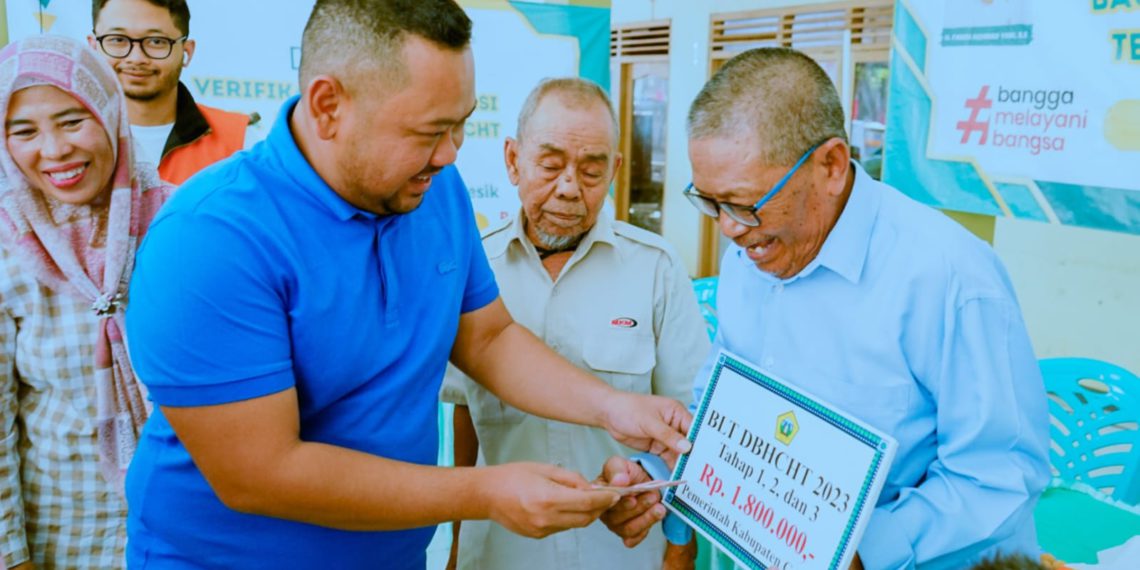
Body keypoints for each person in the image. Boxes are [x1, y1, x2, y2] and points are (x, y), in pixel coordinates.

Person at [122, 1, 691, 569]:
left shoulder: (434, 190)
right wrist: (486, 492)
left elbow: (489, 338)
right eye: (429, 131)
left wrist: (611, 407)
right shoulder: (211, 238)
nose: (450, 153)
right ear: (328, 107)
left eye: (462, 123)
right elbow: (261, 473)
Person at [598, 47, 1050, 569]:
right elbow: (725, 418)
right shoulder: (749, 257)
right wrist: (657, 474)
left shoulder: (949, 278)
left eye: (745, 204)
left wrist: (864, 551)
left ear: (831, 166)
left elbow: (1000, 479)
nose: (729, 229)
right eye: (711, 202)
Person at [440, 77, 708, 570]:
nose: (569, 188)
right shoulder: (474, 268)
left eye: (591, 171)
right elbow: (465, 415)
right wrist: (458, 543)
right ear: (513, 160)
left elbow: (689, 429)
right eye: (550, 165)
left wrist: (679, 550)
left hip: (622, 554)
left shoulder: (656, 269)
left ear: (614, 171)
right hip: (502, 552)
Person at [0, 35, 172, 570]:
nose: (54, 150)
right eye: (23, 131)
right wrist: (12, 557)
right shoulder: (8, 247)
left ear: (109, 113)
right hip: (60, 538)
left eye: (72, 121)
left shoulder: (179, 224)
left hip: (183, 529)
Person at [89, 0, 250, 185]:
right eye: (118, 40)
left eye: (156, 41)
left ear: (186, 52)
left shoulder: (239, 141)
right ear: (93, 47)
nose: (136, 58)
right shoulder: (70, 140)